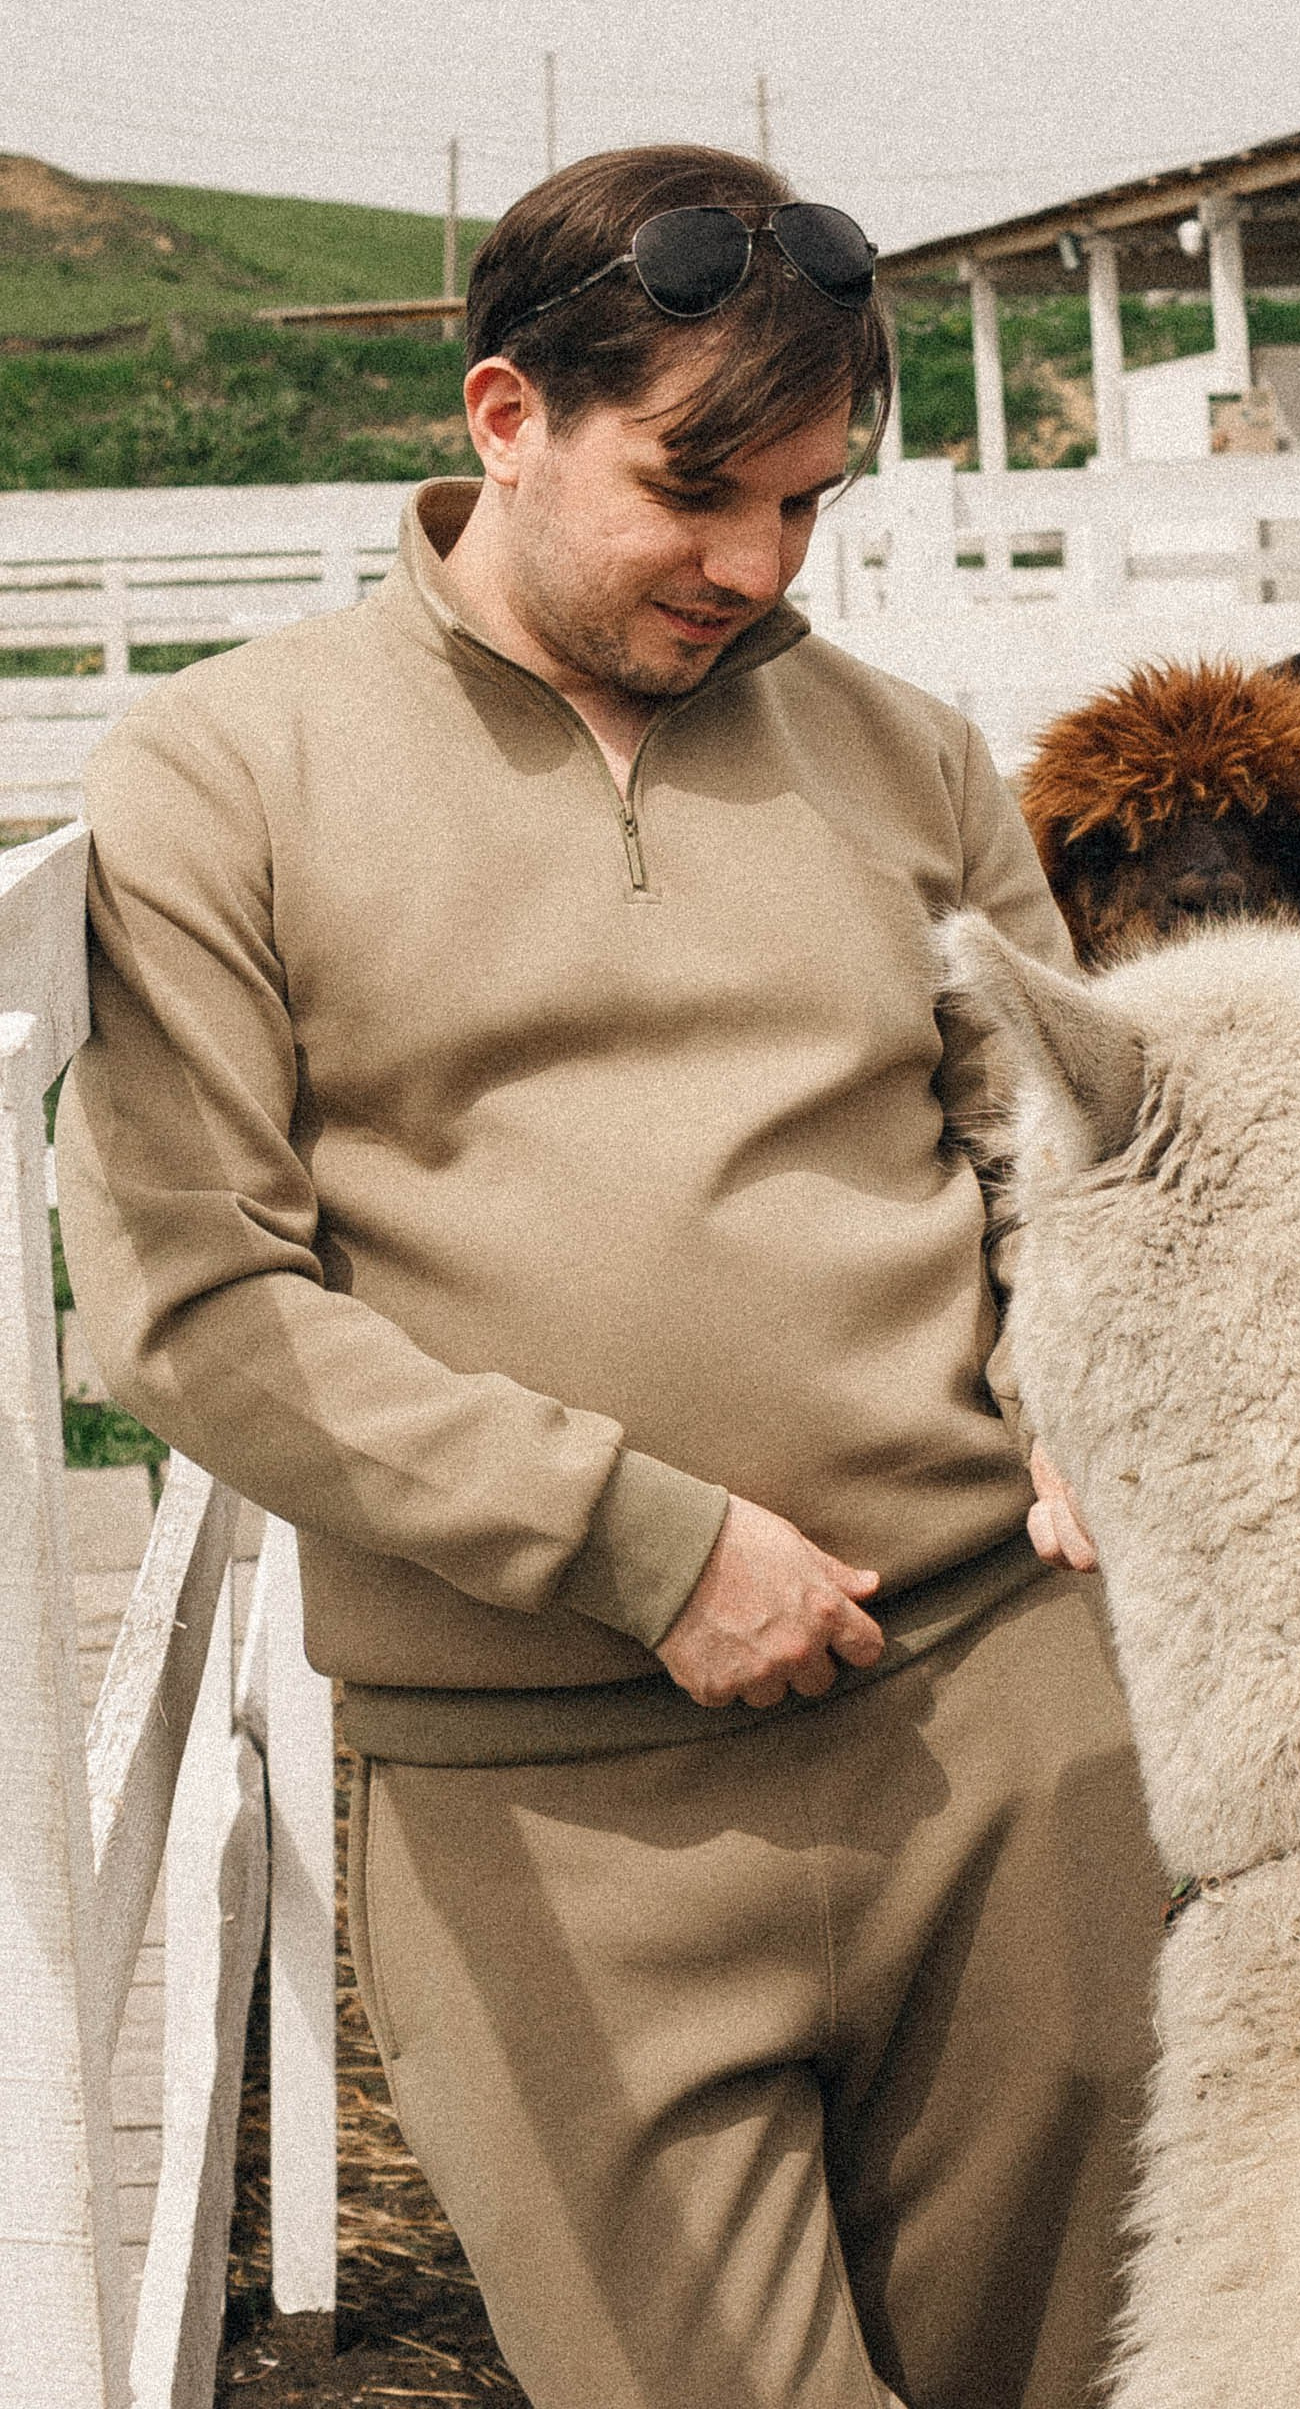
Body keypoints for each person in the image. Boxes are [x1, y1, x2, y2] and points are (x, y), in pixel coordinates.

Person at [57, 146, 1157, 2409]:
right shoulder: (224, 770)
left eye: (808, 504)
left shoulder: (905, 754)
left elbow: (1055, 1140)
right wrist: (643, 1545)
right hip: (537, 1785)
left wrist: (1086, 1358)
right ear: (500, 417)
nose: (757, 569)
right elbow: (193, 1299)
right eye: (695, 490)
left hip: (1004, 1727)